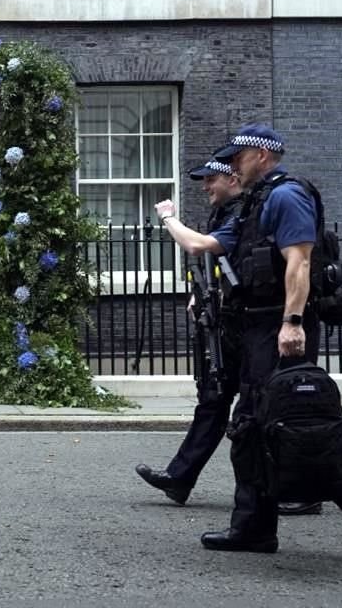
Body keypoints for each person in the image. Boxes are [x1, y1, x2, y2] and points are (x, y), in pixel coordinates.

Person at [196, 123, 342, 555]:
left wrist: (293, 322)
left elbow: (299, 263)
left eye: (237, 157)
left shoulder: (287, 196)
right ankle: (254, 527)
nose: (231, 166)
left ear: (262, 156)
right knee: (251, 427)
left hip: (280, 329)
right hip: (257, 330)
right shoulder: (258, 201)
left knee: (293, 429)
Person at [135, 160, 243, 506]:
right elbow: (222, 264)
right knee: (212, 400)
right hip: (227, 323)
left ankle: (311, 488)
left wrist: (168, 218)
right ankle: (179, 478)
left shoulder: (242, 213)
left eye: (211, 179)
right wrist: (201, 292)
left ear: (232, 178)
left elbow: (197, 246)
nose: (205, 186)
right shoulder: (224, 213)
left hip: (252, 326)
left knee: (264, 410)